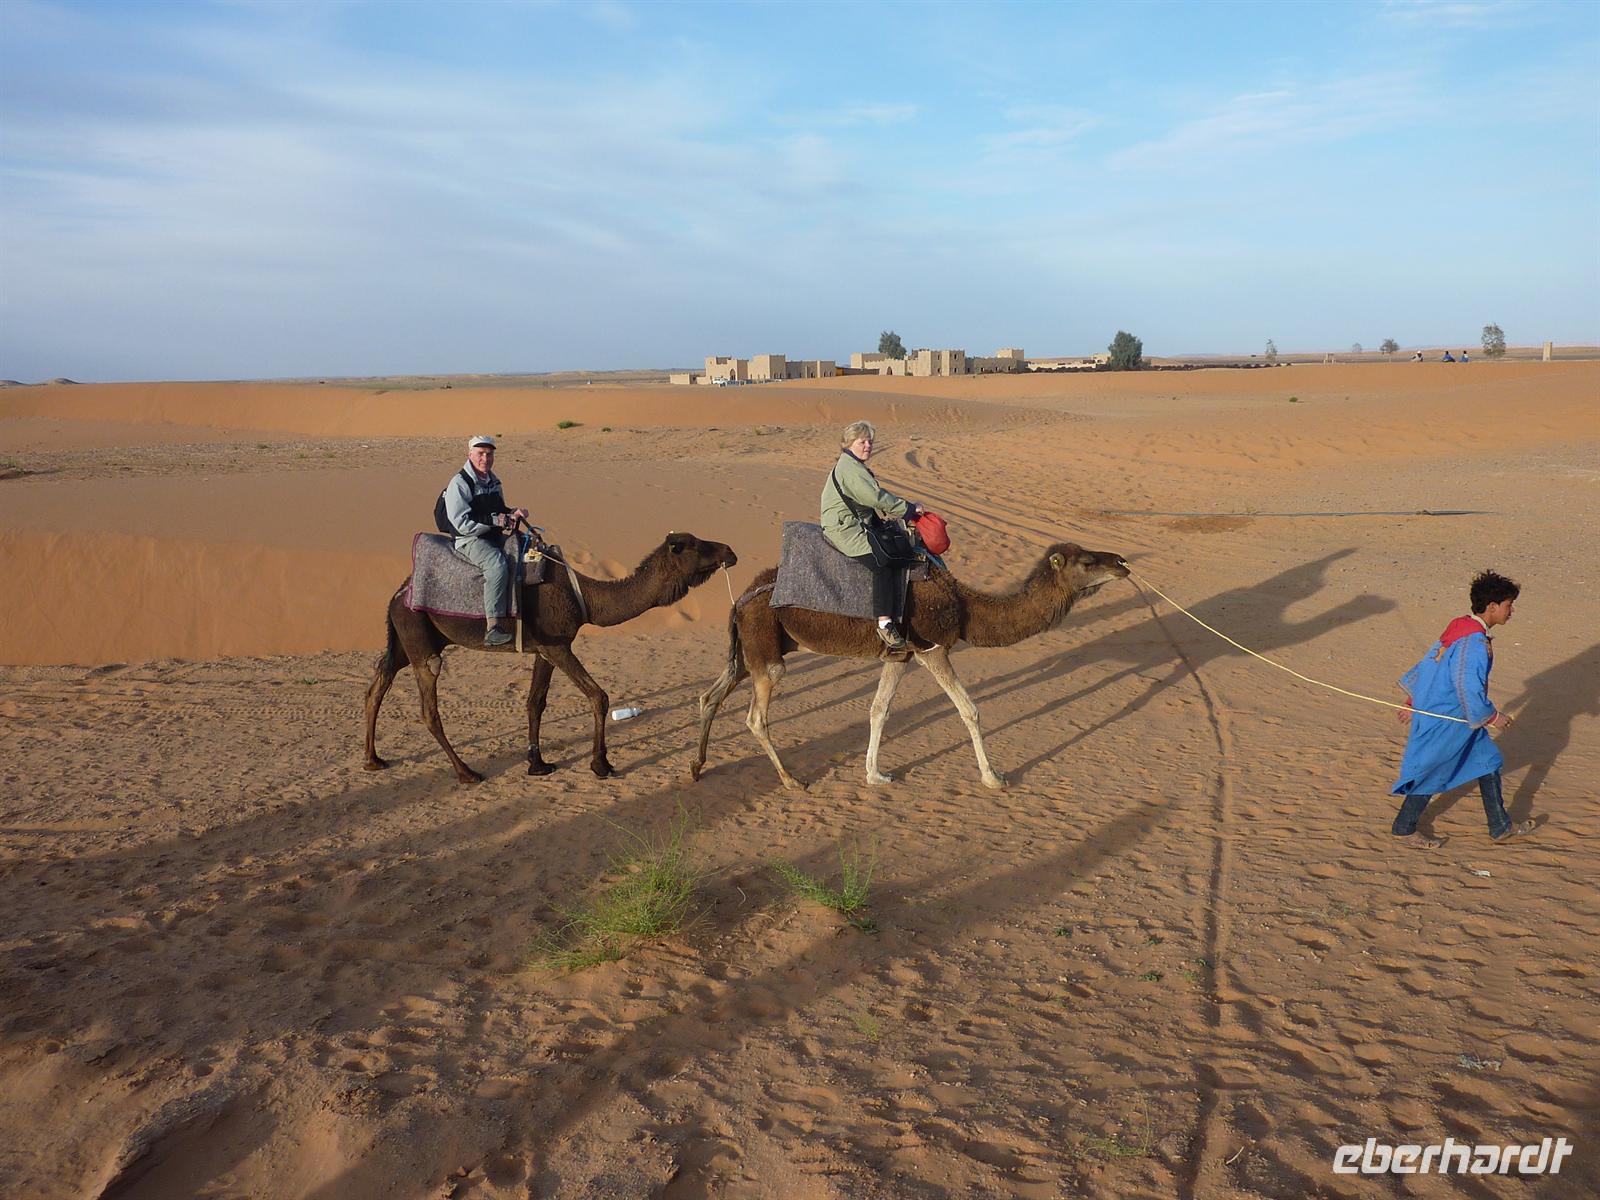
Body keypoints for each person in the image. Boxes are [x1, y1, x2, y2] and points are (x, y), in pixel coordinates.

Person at [1390, 570, 1534, 846]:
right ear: (1492, 607)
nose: (1511, 611)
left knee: (1488, 762)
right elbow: (1467, 687)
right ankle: (1404, 827)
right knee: (1432, 769)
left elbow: (1431, 666)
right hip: (1450, 718)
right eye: (1508, 605)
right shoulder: (1474, 642)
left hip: (1458, 717)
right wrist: (1492, 717)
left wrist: (1413, 701)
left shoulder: (1461, 628)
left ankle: (1500, 826)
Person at [820, 420, 922, 651]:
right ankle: (884, 624)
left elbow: (868, 500)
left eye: (870, 442)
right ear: (849, 444)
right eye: (862, 442)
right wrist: (908, 509)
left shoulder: (852, 465)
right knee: (882, 562)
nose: (867, 446)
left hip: (855, 523)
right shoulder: (850, 469)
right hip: (844, 528)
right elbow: (874, 497)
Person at [441, 435, 529, 647]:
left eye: (489, 454)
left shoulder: (493, 482)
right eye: (480, 454)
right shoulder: (459, 483)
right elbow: (461, 523)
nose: (485, 459)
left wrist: (512, 513)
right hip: (469, 539)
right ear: (470, 455)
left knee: (526, 551)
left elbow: (498, 510)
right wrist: (497, 520)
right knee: (496, 565)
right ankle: (493, 627)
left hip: (491, 534)